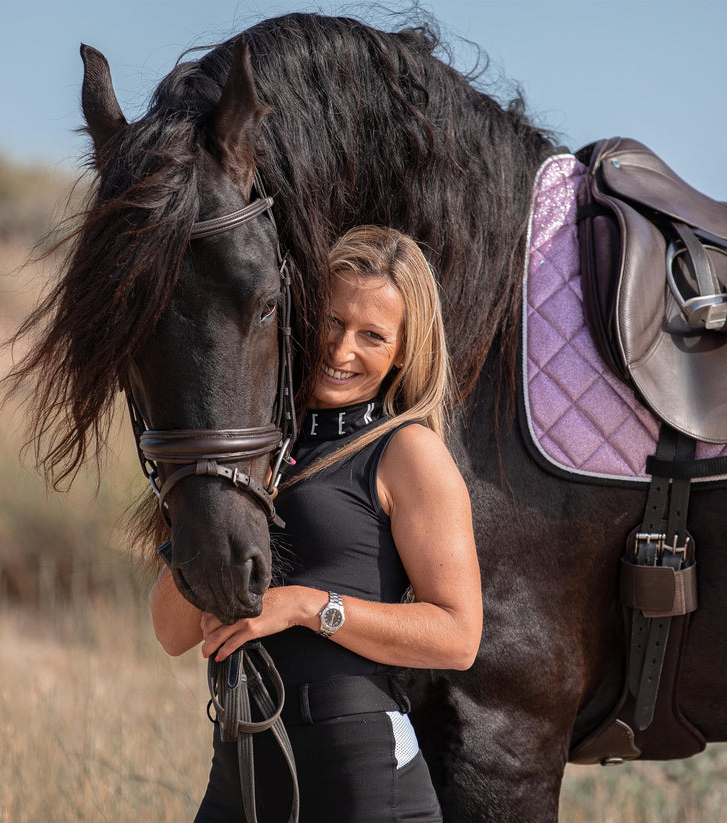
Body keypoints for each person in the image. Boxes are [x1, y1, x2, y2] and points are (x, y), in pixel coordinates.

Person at [149, 225, 482, 822]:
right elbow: (171, 633)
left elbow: (458, 637)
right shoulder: (251, 447)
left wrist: (305, 606)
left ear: (403, 350)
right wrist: (211, 516)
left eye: (372, 335)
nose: (340, 350)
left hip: (359, 772)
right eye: (332, 321)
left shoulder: (408, 452)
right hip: (241, 758)